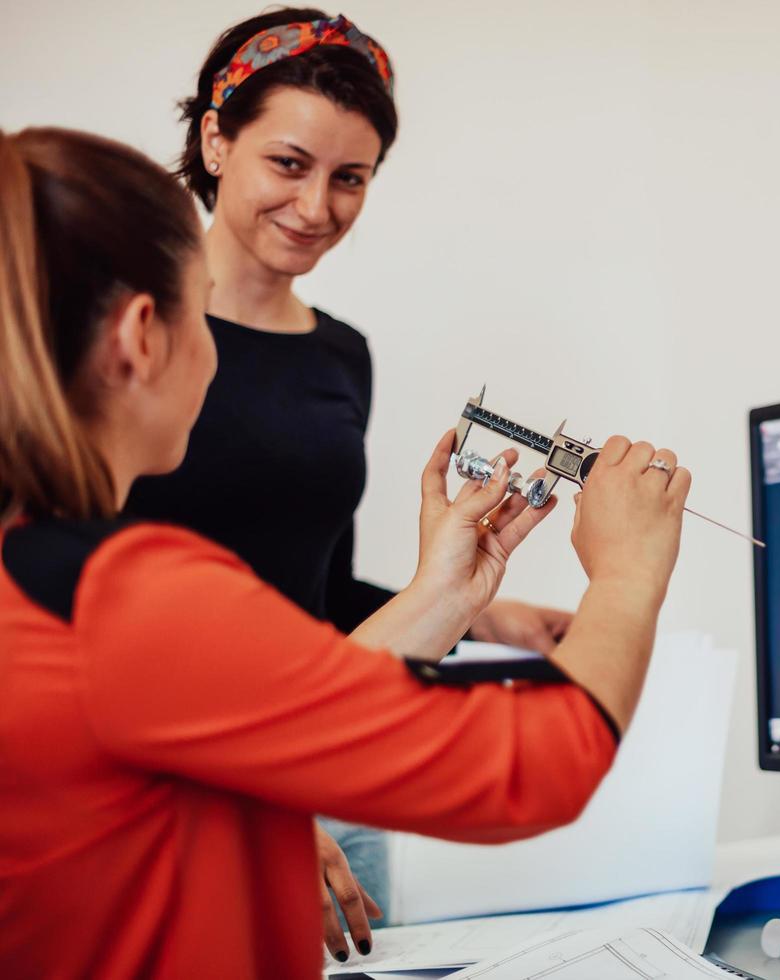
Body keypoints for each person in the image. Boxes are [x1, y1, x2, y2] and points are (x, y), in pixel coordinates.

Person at [0, 125, 689, 978]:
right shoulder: (128, 596)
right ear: (143, 336)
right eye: (200, 309)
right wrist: (628, 573)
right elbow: (536, 767)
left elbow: (279, 708)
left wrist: (445, 597)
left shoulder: (34, 579)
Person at [122, 9, 567, 943]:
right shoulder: (115, 328)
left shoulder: (340, 357)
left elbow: (310, 591)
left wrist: (483, 615)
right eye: (289, 163)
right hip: (164, 780)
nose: (318, 208)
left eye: (350, 178)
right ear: (215, 138)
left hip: (328, 769)